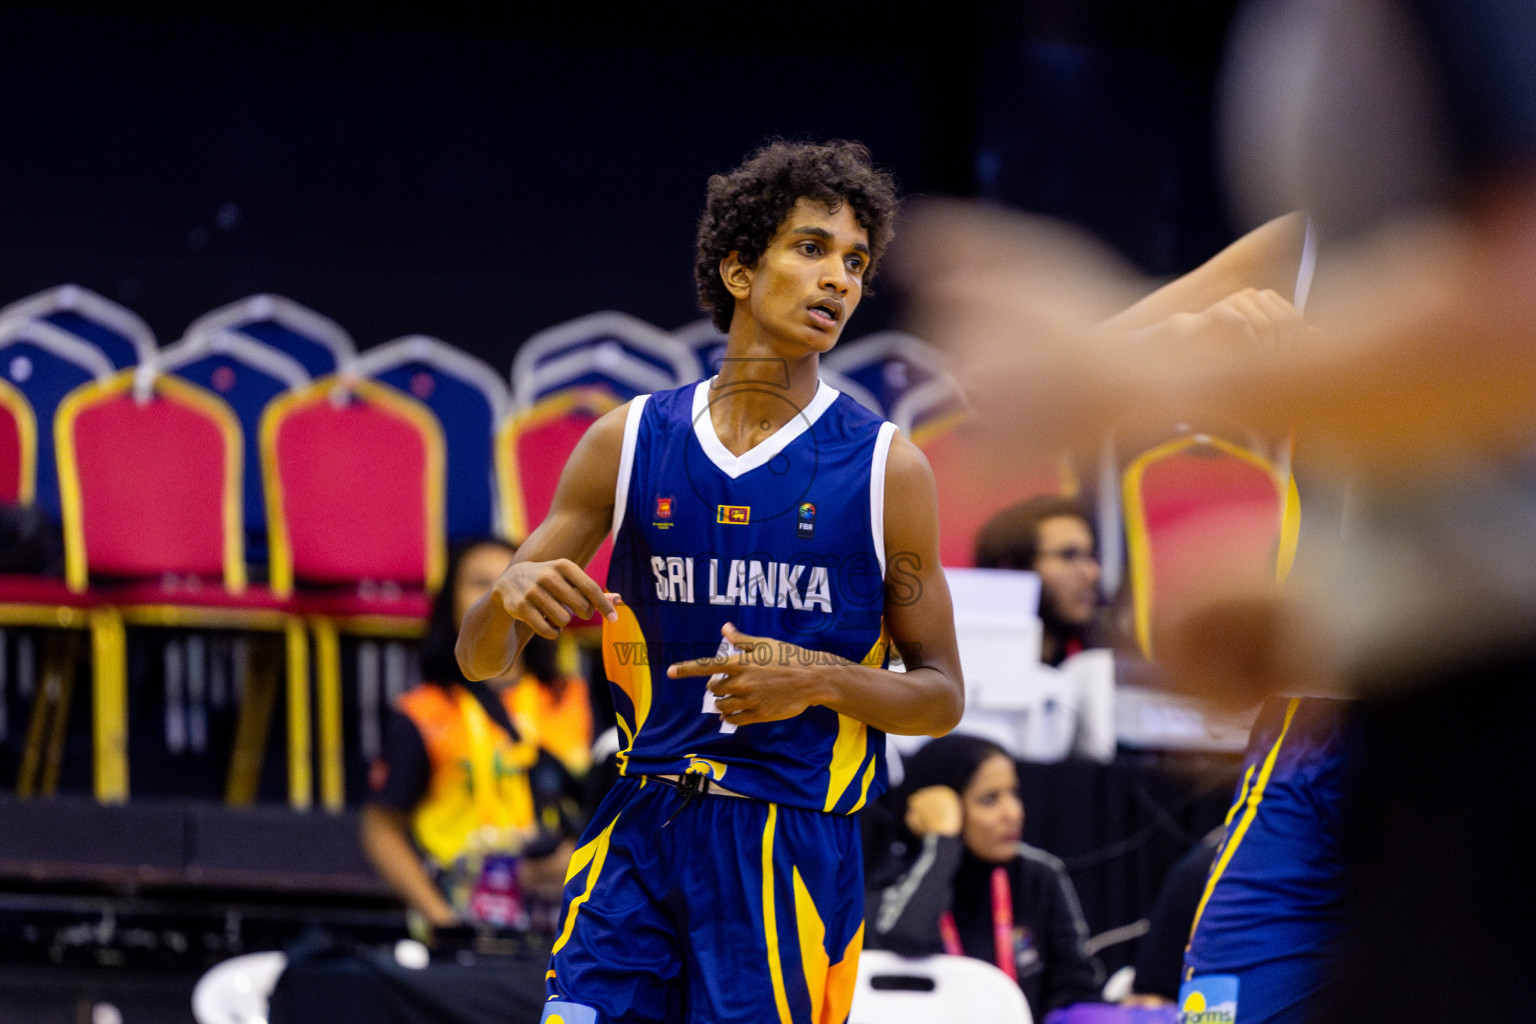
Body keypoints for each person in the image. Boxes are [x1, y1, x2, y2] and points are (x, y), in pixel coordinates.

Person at [456, 140, 965, 1024]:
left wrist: (818, 679)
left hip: (789, 835)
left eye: (854, 262)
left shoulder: (888, 468)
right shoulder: (628, 440)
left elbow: (942, 695)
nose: (838, 280)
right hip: (640, 817)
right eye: (811, 249)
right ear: (738, 268)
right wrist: (502, 600)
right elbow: (479, 659)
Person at [361, 537, 584, 937]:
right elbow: (381, 829)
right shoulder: (423, 711)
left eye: (512, 580)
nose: (502, 594)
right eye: (481, 584)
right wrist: (445, 924)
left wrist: (578, 860)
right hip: (465, 924)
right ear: (450, 602)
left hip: (564, 927)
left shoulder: (574, 700)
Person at [866, 733, 1102, 1021]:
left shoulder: (1039, 877)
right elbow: (904, 938)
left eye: (1014, 794)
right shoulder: (897, 874)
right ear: (945, 807)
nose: (1012, 813)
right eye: (990, 800)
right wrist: (943, 844)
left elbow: (1077, 992)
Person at [973, 495, 1105, 666]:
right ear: (1011, 570)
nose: (1091, 572)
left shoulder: (1100, 671)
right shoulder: (963, 675)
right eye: (1068, 555)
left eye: (1090, 556)